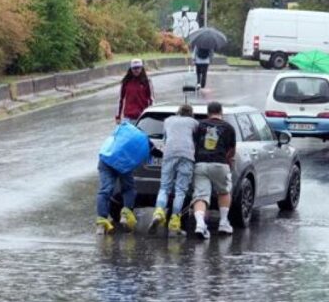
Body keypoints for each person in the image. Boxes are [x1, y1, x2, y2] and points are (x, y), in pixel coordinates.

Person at [149, 104, 198, 236]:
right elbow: (196, 139)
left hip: (169, 154)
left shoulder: (168, 120)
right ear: (191, 114)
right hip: (186, 155)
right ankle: (174, 223)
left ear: (178, 112)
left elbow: (165, 139)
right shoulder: (194, 123)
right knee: (180, 190)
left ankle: (159, 212)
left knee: (164, 187)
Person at [96, 122, 151, 235]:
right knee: (128, 189)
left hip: (106, 159)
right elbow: (152, 151)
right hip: (123, 164)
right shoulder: (144, 139)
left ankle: (101, 222)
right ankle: (125, 215)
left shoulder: (124, 129)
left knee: (105, 190)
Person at [191, 102, 236, 239]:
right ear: (221, 112)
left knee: (200, 196)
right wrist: (226, 160)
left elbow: (193, 144)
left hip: (200, 164)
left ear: (208, 112)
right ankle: (223, 223)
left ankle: (200, 224)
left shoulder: (199, 125)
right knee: (224, 191)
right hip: (220, 164)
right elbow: (232, 150)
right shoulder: (228, 127)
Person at [116, 58, 154, 124]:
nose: (136, 70)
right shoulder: (126, 81)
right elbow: (120, 99)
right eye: (134, 68)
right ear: (131, 69)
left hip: (142, 117)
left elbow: (151, 99)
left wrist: (150, 115)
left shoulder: (147, 81)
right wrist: (118, 116)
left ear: (141, 68)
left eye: (138, 68)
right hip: (128, 118)